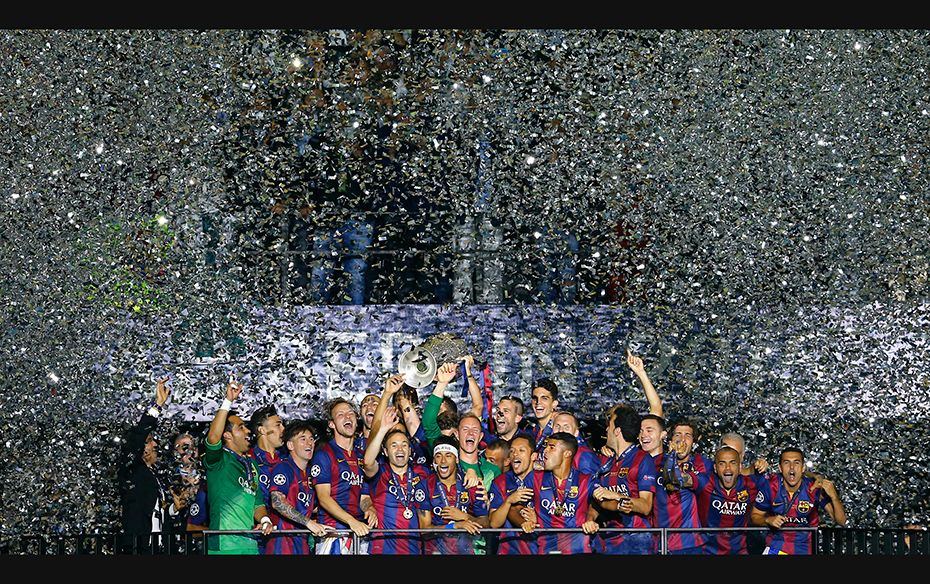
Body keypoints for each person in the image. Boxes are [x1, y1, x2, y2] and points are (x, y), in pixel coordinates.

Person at [202, 378, 275, 554]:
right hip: (223, 544)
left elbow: (257, 503)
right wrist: (228, 401)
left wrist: (265, 519)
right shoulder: (218, 460)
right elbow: (213, 438)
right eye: (241, 427)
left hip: (250, 543)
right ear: (227, 435)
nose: (248, 431)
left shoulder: (252, 464)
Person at [362, 392, 431, 555]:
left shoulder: (423, 474)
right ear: (385, 451)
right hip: (382, 550)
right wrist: (383, 428)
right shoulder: (380, 473)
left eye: (404, 445)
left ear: (410, 449)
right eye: (394, 445)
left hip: (414, 549)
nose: (400, 449)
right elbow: (367, 461)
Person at [118, 378, 179, 552]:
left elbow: (154, 512)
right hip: (139, 548)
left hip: (159, 549)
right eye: (150, 441)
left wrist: (173, 509)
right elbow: (136, 440)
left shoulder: (154, 475)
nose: (155, 445)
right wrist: (156, 407)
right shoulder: (131, 470)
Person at [751, 447, 847, 554]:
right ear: (780, 467)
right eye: (787, 463)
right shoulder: (770, 486)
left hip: (806, 549)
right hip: (776, 547)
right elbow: (755, 516)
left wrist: (834, 497)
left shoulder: (814, 488)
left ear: (802, 468)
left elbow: (841, 521)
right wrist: (767, 520)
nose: (792, 468)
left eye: (796, 463)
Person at [310, 397, 375, 555]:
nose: (347, 417)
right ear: (331, 424)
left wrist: (370, 508)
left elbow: (364, 496)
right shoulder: (324, 454)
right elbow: (323, 498)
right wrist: (351, 521)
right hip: (333, 534)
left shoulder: (361, 456)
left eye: (350, 413)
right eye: (340, 414)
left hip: (358, 534)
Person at [591, 404, 657, 555]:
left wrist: (616, 496)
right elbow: (597, 501)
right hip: (608, 538)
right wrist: (591, 518)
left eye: (610, 425)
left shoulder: (643, 459)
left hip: (635, 538)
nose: (606, 429)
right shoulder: (606, 460)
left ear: (617, 431)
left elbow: (646, 506)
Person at [520, 432, 600, 554]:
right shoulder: (534, 478)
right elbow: (515, 506)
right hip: (545, 548)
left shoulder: (585, 480)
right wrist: (524, 521)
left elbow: (599, 503)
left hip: (578, 548)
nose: (545, 451)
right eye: (546, 446)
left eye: (551, 447)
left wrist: (590, 518)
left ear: (567, 453)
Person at [422, 436, 488, 554]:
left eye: (448, 455)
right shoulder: (425, 486)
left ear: (457, 459)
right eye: (438, 456)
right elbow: (424, 530)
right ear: (434, 461)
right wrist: (454, 526)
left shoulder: (471, 484)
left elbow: (486, 524)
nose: (442, 461)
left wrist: (465, 517)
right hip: (435, 551)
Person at [655, 420, 712, 554]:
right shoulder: (655, 462)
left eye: (688, 435)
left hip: (690, 544)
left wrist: (754, 468)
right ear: (670, 439)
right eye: (677, 435)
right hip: (658, 541)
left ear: (693, 442)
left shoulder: (704, 464)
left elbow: (674, 480)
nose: (682, 440)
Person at [488, 434, 539, 555]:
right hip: (510, 549)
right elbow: (494, 524)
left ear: (533, 456)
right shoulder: (500, 482)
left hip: (539, 548)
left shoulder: (545, 479)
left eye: (521, 450)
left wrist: (537, 519)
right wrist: (508, 501)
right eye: (512, 451)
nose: (515, 454)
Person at [552, 411, 601, 475]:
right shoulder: (549, 453)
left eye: (566, 427)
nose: (561, 430)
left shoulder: (584, 457)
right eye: (557, 426)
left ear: (576, 433)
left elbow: (590, 482)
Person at [528, 378, 560, 465]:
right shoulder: (531, 432)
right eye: (535, 398)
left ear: (554, 404)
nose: (538, 402)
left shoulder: (561, 430)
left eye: (544, 398)